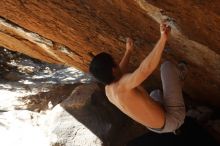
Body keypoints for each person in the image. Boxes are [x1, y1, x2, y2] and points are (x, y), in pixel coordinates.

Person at [89, 21, 186, 133]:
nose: (117, 63)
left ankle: (173, 123)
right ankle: (181, 75)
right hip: (172, 118)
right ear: (113, 69)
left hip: (156, 128)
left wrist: (129, 51)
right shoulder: (123, 86)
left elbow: (118, 72)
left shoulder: (109, 90)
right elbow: (145, 69)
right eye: (114, 62)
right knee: (167, 67)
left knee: (155, 93)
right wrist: (163, 38)